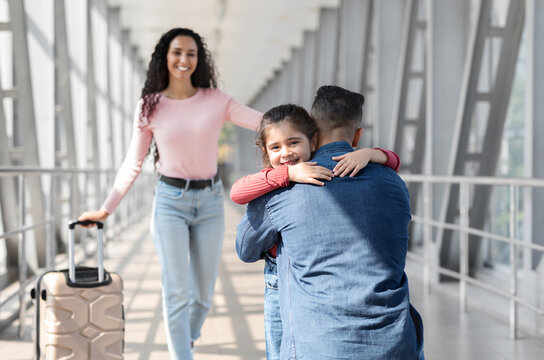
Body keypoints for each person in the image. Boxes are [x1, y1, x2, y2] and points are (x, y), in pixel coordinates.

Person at [78, 28, 262, 359]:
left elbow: (265, 123)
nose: (184, 60)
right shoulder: (150, 106)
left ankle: (185, 338)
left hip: (209, 203)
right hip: (169, 204)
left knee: (203, 296)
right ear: (165, 56)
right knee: (176, 291)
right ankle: (181, 354)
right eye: (177, 52)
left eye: (191, 53)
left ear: (198, 60)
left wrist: (311, 129)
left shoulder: (216, 101)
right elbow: (133, 164)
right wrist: (106, 209)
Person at [236, 85, 424, 359]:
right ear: (358, 135)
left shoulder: (282, 190)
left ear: (312, 134)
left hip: (317, 345)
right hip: (395, 345)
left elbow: (245, 250)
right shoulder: (394, 183)